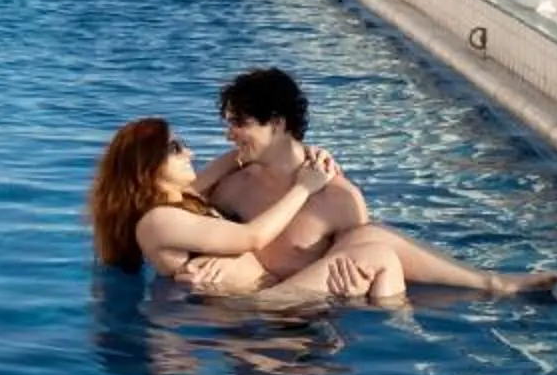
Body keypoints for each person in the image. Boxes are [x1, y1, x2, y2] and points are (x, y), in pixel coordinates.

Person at [186, 66, 557, 297]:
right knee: (376, 243)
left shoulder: (338, 197)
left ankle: (490, 284)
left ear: (279, 124)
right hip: (248, 312)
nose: (229, 135)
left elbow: (353, 270)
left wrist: (352, 286)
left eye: (240, 124)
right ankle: (490, 283)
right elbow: (179, 210)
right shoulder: (233, 186)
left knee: (370, 240)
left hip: (308, 319)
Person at [88, 118, 403, 303]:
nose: (189, 151)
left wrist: (308, 153)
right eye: (175, 148)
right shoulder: (157, 221)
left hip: (276, 297)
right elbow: (252, 238)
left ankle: (448, 287)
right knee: (380, 256)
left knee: (373, 239)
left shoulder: (184, 197)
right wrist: (305, 186)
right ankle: (406, 340)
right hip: (262, 308)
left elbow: (238, 158)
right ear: (146, 167)